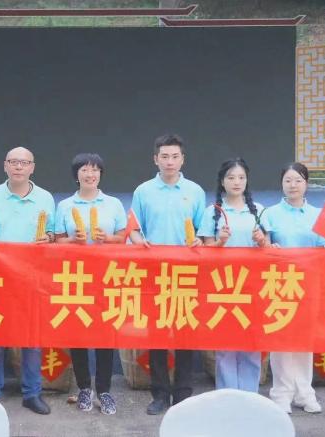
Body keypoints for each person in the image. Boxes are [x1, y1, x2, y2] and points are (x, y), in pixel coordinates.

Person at [128, 134, 205, 415]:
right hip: (153, 272)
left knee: (185, 334)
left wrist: (198, 240)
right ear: (155, 159)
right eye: (164, 156)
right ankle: (159, 394)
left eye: (175, 156)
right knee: (157, 335)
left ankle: (183, 394)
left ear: (183, 159)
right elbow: (133, 228)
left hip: (186, 272)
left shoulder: (195, 191)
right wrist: (139, 241)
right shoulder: (143, 191)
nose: (169, 161)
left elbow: (203, 231)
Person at [0, 146, 55, 415]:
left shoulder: (45, 198)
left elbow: (53, 235)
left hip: (31, 278)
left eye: (24, 162)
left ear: (32, 167)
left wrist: (48, 238)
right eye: (14, 162)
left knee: (31, 339)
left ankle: (32, 393)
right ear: (5, 165)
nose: (19, 166)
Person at [53, 153, 127, 415]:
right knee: (78, 332)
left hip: (107, 275)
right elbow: (57, 240)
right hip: (76, 276)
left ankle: (104, 390)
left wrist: (108, 238)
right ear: (76, 175)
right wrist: (73, 241)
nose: (90, 174)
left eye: (95, 170)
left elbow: (123, 237)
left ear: (100, 174)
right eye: (84, 170)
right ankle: (84, 387)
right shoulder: (65, 205)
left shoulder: (113, 204)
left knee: (106, 333)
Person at [197, 158, 267, 394]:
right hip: (222, 286)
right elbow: (206, 251)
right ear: (222, 181)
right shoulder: (212, 212)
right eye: (231, 177)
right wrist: (220, 242)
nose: (236, 182)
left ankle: (249, 394)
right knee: (225, 343)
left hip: (251, 284)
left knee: (251, 341)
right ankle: (227, 394)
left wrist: (261, 241)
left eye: (241, 177)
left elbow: (268, 249)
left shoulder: (258, 210)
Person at [260, 162, 325, 414]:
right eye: (288, 180)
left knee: (304, 338)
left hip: (309, 283)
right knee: (281, 338)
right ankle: (281, 392)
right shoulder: (270, 213)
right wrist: (269, 248)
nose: (293, 185)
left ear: (306, 183)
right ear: (281, 184)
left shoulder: (320, 214)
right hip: (280, 284)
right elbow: (264, 246)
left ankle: (305, 393)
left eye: (298, 180)